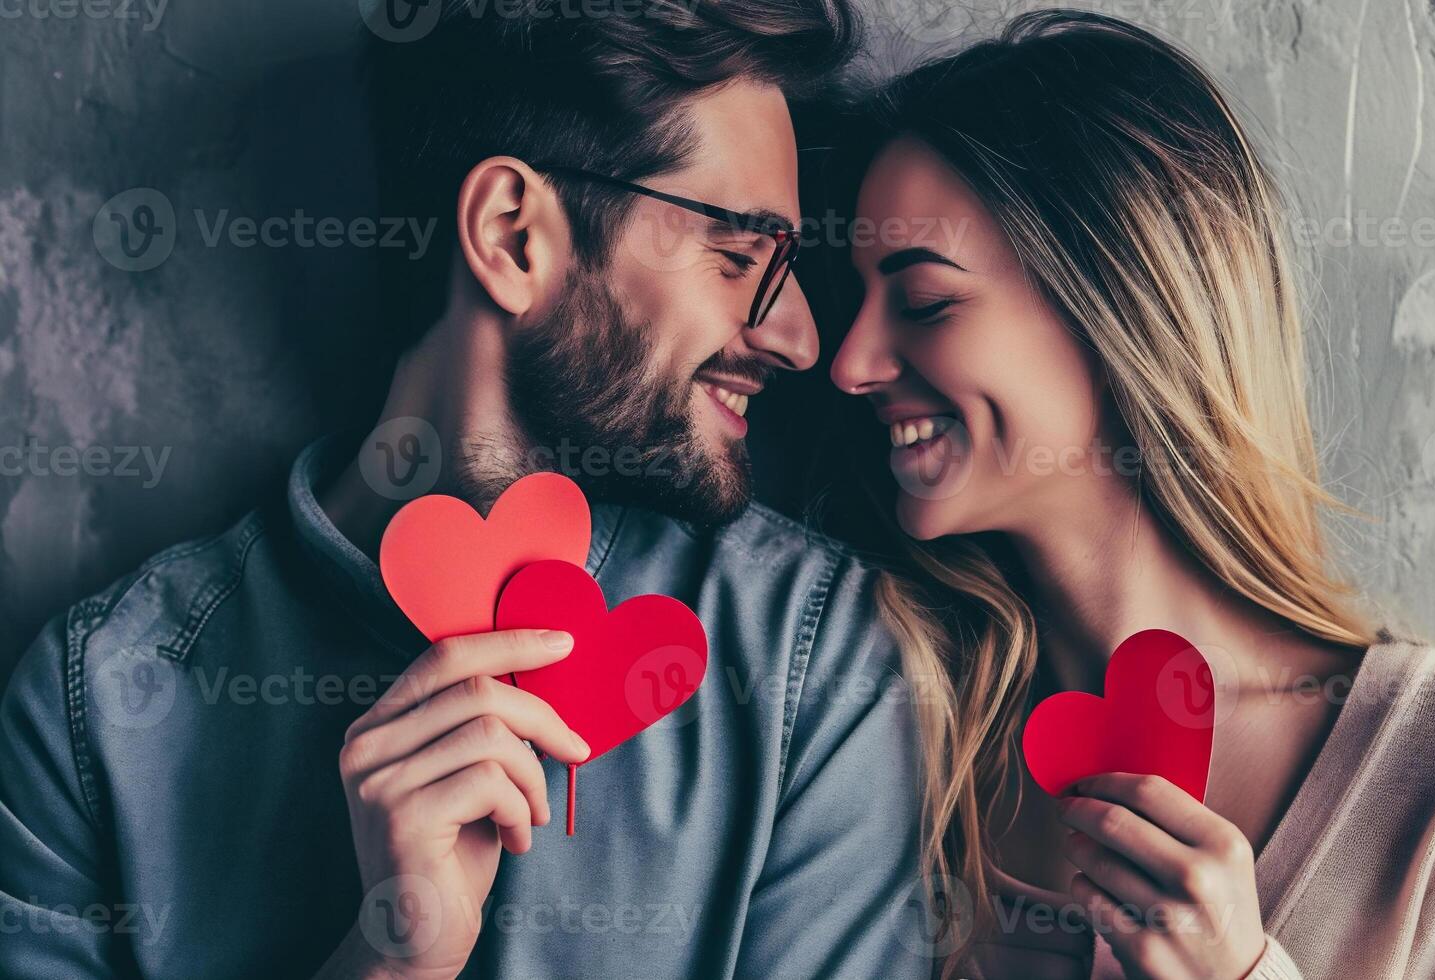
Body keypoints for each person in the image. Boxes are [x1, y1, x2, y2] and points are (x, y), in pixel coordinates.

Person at [0, 2, 928, 978]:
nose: (800, 337)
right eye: (742, 257)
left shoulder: (814, 662)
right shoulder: (94, 708)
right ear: (513, 234)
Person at [825, 11, 1435, 979]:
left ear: (1118, 306)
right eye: (847, 301)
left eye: (927, 300)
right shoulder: (882, 727)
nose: (849, 364)